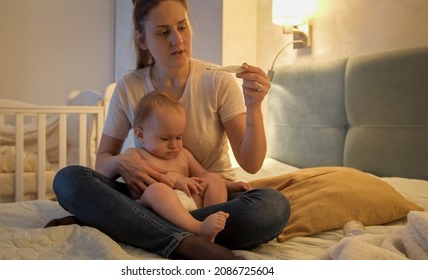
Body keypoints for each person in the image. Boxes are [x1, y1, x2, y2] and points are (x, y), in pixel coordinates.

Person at [48, 0, 290, 260]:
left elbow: (251, 164)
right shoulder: (129, 87)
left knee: (273, 206)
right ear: (142, 40)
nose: (178, 40)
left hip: (209, 202)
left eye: (182, 27)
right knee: (69, 180)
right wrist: (122, 162)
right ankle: (192, 242)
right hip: (150, 199)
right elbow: (102, 166)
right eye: (163, 32)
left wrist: (254, 108)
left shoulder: (218, 80)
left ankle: (127, 224)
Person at [129, 91, 242, 242]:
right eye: (165, 138)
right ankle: (198, 228)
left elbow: (203, 175)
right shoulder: (136, 155)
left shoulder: (183, 154)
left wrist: (230, 186)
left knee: (213, 178)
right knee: (157, 190)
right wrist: (174, 181)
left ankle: (211, 224)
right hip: (157, 210)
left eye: (179, 137)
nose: (174, 144)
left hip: (192, 206)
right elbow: (136, 180)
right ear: (140, 135)